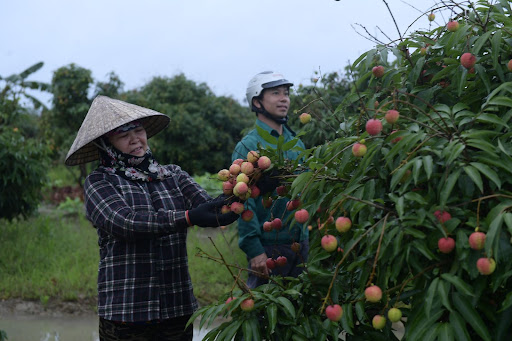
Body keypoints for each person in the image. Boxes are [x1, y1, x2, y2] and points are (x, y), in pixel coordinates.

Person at [65, 95, 239, 341]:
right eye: (123, 135)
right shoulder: (100, 181)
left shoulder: (173, 175)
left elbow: (211, 210)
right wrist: (188, 217)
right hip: (126, 311)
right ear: (106, 144)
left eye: (138, 129)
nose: (135, 139)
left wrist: (249, 188)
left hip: (176, 307)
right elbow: (125, 222)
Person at [232, 71, 309, 288]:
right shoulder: (248, 147)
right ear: (257, 101)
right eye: (275, 93)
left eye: (286, 93)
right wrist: (254, 249)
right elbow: (241, 202)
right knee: (264, 314)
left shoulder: (296, 143)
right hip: (268, 246)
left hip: (299, 243)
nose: (284, 98)